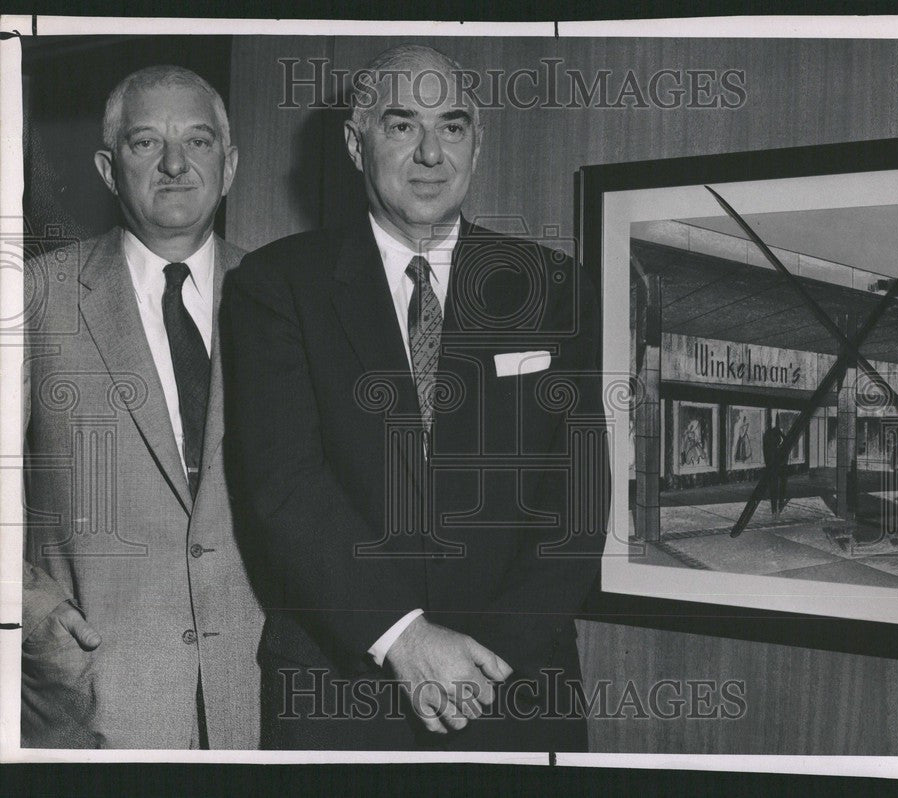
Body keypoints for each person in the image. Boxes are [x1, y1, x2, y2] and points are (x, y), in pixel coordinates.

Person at [222, 44, 609, 752]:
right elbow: (285, 488)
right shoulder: (276, 286)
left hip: (513, 685)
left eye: (452, 126)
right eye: (402, 126)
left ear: (477, 141)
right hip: (343, 689)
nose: (431, 152)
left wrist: (481, 662)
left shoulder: (554, 288)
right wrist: (403, 637)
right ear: (354, 141)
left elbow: (579, 503)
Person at [21, 66, 263, 749]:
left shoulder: (283, 296)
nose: (177, 164)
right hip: (93, 696)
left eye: (199, 141)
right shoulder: (33, 297)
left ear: (230, 163)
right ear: (106, 167)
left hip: (254, 694)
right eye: (145, 143)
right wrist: (29, 608)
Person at [762, 423, 787, 516]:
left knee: (776, 488)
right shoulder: (773, 446)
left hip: (776, 467)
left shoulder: (770, 444)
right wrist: (780, 433)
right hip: (776, 467)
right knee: (776, 488)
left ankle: (775, 509)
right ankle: (776, 508)